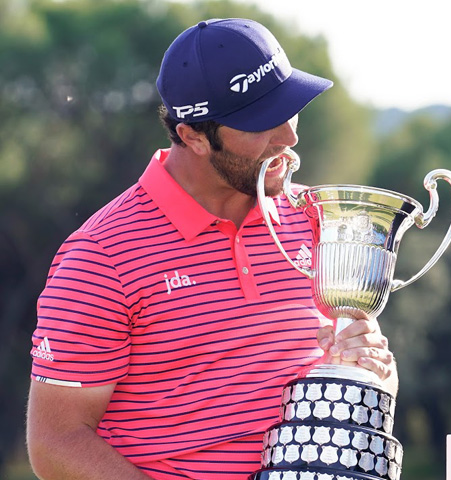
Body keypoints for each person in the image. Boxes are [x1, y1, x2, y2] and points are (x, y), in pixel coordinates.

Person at [26, 18, 398, 480]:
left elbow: (372, 384)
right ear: (193, 137)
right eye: (262, 122)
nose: (289, 137)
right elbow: (56, 442)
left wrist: (373, 370)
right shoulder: (101, 256)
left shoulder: (319, 219)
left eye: (290, 109)